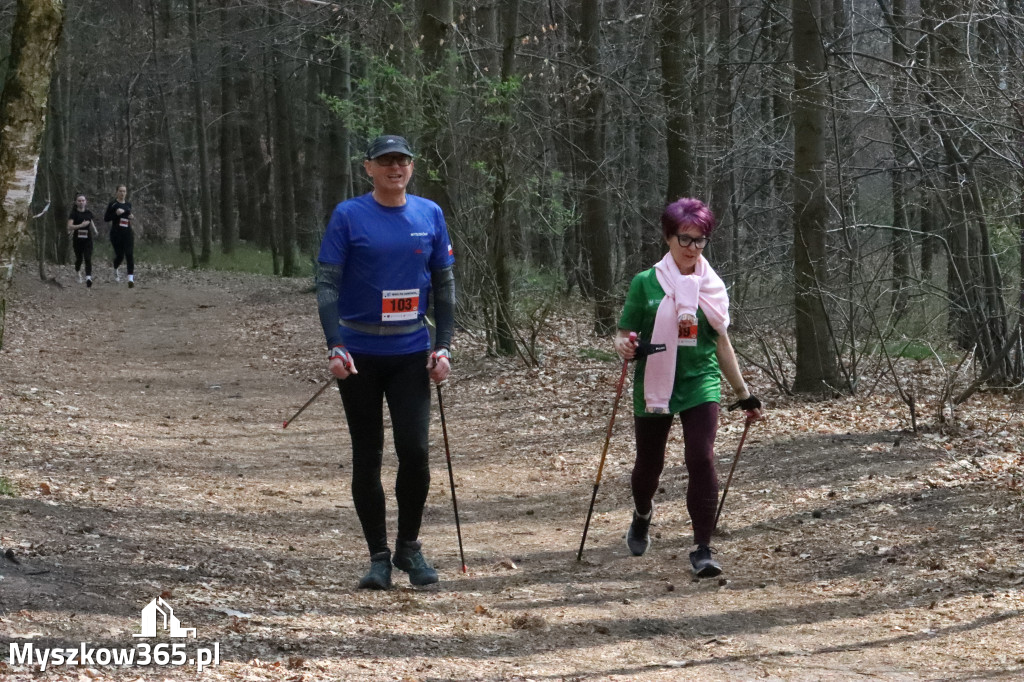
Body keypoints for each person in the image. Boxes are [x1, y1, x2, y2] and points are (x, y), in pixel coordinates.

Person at [316, 134, 456, 590]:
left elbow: (445, 286)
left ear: (412, 167)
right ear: (368, 168)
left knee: (414, 451)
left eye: (403, 161)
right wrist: (334, 344)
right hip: (359, 356)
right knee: (368, 454)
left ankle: (409, 548)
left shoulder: (429, 213)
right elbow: (327, 287)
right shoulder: (348, 215)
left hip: (411, 352)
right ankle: (378, 556)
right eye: (386, 161)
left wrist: (446, 346)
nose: (395, 167)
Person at [614, 197, 762, 578]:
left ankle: (702, 548)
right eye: (686, 239)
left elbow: (722, 342)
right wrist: (626, 345)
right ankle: (643, 513)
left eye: (701, 241)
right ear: (668, 237)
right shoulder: (645, 283)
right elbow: (622, 335)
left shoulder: (711, 286)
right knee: (650, 465)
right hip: (655, 380)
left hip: (700, 380)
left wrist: (743, 394)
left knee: (701, 457)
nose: (693, 249)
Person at [104, 184, 135, 287]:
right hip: (116, 234)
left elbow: (128, 216)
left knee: (129, 254)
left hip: (128, 233)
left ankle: (130, 279)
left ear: (126, 193)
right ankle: (115, 267)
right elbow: (106, 218)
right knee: (120, 256)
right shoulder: (113, 204)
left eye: (124, 191)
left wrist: (131, 217)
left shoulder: (128, 204)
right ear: (117, 192)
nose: (122, 193)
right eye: (120, 191)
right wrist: (116, 214)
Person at [67, 194, 98, 287]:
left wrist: (95, 230)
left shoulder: (88, 213)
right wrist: (81, 225)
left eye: (83, 200)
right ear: (76, 202)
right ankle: (78, 272)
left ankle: (88, 278)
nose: (81, 202)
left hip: (88, 239)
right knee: (79, 259)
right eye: (79, 201)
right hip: (77, 239)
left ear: (86, 202)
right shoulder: (73, 214)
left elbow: (90, 221)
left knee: (88, 258)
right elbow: (69, 226)